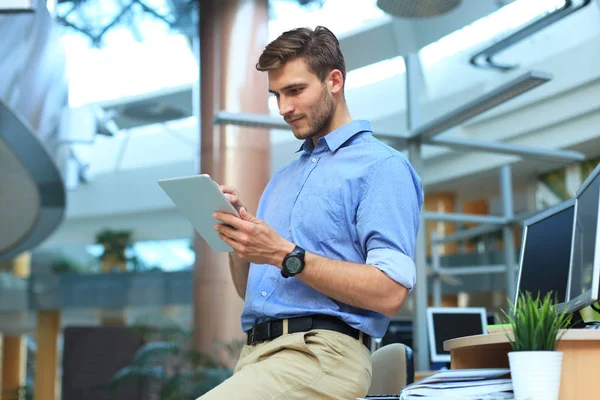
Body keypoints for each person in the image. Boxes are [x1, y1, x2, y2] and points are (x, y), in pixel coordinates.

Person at [199, 25, 423, 400]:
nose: (284, 108)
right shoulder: (283, 180)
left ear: (334, 80)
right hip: (256, 358)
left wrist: (284, 254)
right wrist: (243, 241)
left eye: (296, 90)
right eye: (276, 95)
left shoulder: (382, 168)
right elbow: (250, 291)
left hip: (323, 354)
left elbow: (390, 292)